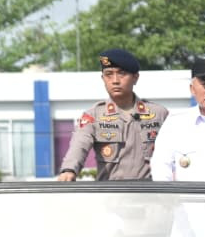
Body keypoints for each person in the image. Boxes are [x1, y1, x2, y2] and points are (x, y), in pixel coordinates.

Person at [58, 49, 168, 181]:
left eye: (122, 73)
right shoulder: (93, 116)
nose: (115, 80)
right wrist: (69, 170)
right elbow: (79, 145)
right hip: (110, 191)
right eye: (109, 74)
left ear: (135, 78)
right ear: (103, 79)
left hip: (149, 192)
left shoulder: (159, 114)